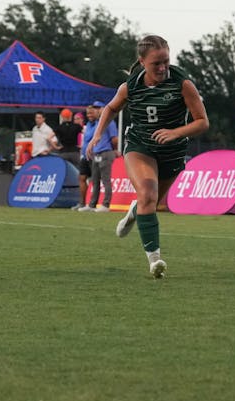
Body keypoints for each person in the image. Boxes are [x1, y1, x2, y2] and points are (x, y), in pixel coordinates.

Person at [87, 35, 209, 278]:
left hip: (172, 151)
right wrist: (97, 135)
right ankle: (155, 261)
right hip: (140, 145)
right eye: (156, 63)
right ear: (142, 62)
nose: (163, 67)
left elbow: (202, 123)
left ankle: (135, 210)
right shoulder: (130, 87)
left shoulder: (182, 83)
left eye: (166, 61)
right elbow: (111, 108)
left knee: (152, 203)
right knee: (148, 194)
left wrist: (175, 133)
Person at [80, 101, 118, 213]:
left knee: (105, 179)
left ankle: (106, 204)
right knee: (95, 180)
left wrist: (114, 149)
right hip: (96, 153)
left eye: (98, 108)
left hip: (105, 152)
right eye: (95, 108)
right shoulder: (97, 122)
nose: (96, 110)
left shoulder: (109, 121)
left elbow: (114, 138)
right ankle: (92, 204)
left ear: (104, 108)